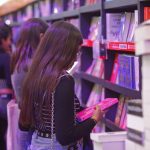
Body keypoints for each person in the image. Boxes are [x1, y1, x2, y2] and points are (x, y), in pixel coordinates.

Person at [19, 21, 105, 150]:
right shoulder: (63, 80)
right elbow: (65, 136)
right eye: (75, 52)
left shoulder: (36, 73)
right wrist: (94, 120)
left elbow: (24, 124)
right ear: (63, 51)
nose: (76, 59)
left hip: (37, 142)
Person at [11, 18, 48, 150]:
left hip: (25, 123)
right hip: (34, 128)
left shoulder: (20, 60)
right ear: (41, 36)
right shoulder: (33, 65)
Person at [0, 20, 13, 150]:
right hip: (3, 104)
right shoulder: (5, 57)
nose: (10, 43)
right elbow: (10, 82)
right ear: (3, 39)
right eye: (9, 39)